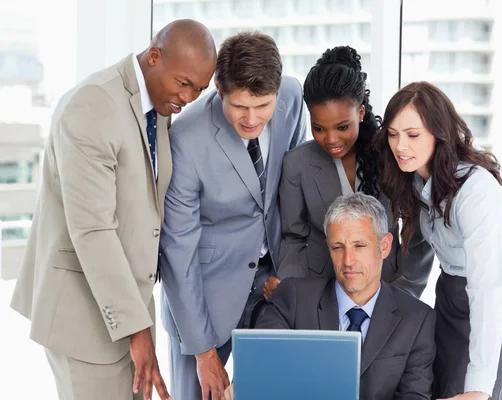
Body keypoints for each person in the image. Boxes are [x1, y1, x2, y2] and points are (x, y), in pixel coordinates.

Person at [9, 19, 217, 400]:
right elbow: (93, 230)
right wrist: (137, 331)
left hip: (131, 309)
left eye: (199, 89)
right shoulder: (92, 105)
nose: (189, 98)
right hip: (83, 316)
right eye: (184, 83)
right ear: (154, 56)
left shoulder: (160, 107)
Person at [159, 31, 306, 400]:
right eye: (240, 106)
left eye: (263, 106)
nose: (252, 119)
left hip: (272, 284)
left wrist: (288, 274)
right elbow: (179, 250)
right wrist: (203, 351)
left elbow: (292, 193)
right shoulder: (187, 138)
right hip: (204, 294)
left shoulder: (291, 96)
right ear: (220, 90)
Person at [373, 81, 502, 400]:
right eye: (393, 134)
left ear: (438, 132)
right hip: (451, 289)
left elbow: (486, 287)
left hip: (500, 293)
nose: (400, 146)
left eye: (413, 135)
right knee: (441, 384)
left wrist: (478, 388)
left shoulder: (474, 192)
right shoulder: (415, 178)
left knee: (473, 391)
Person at [263, 46, 433, 300]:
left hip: (387, 287)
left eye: (342, 126)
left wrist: (403, 291)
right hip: (320, 293)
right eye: (318, 128)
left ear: (361, 112)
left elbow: (417, 232)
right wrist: (294, 293)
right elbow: (294, 237)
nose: (331, 139)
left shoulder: (394, 156)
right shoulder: (296, 164)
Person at [253, 192, 436, 400]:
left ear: (384, 246)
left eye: (359, 246)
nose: (348, 260)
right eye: (338, 247)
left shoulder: (417, 320)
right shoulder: (294, 298)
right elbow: (262, 362)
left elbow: (415, 396)